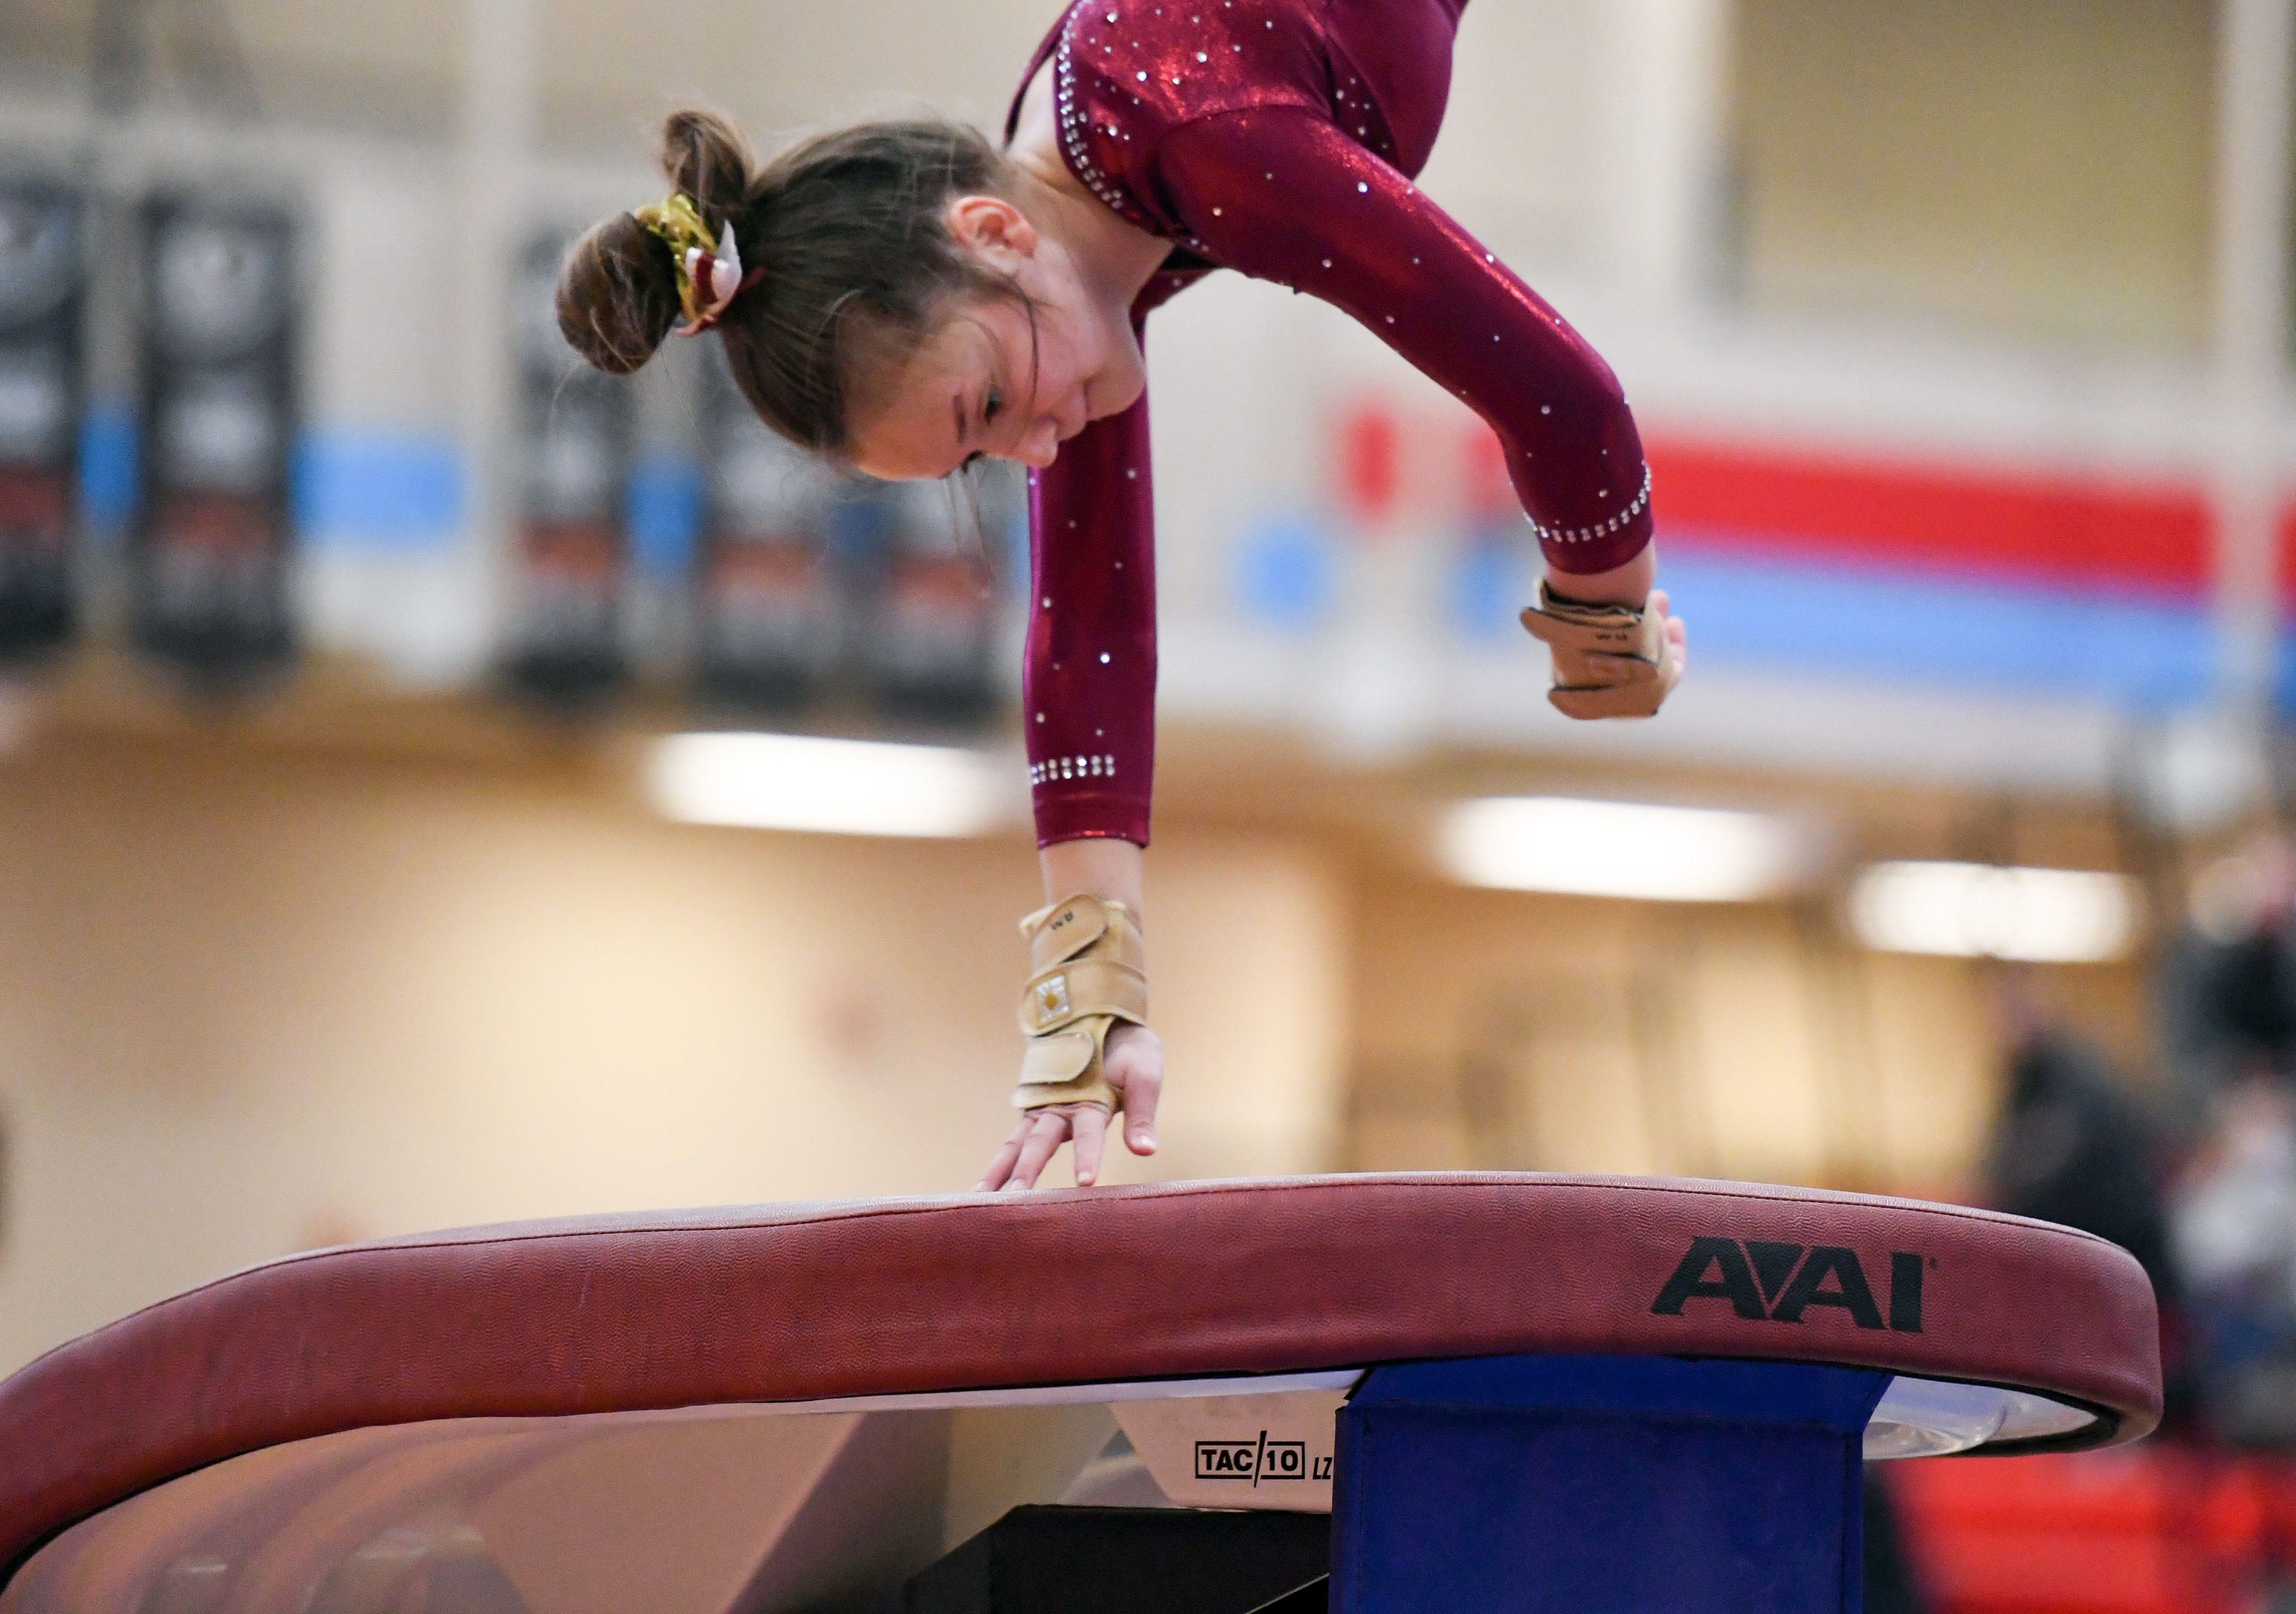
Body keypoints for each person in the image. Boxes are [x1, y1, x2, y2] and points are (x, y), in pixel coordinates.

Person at [555, 0, 1689, 1191]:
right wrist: (1093, 1002)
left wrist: (1603, 620)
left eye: (989, 406)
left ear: (988, 231)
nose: (1034, 454)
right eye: (984, 458)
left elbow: (1561, 394)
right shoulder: (1081, 199)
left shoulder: (1204, 139)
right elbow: (1091, 623)